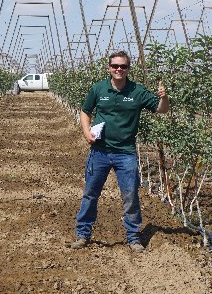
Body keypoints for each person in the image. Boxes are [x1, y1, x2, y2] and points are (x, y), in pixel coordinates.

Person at [71, 50, 169, 252]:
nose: (119, 69)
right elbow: (85, 111)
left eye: (123, 66)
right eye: (115, 66)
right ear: (109, 68)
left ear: (128, 69)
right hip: (100, 151)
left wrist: (164, 98)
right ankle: (83, 234)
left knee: (130, 194)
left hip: (126, 152)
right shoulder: (99, 89)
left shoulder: (137, 91)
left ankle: (133, 237)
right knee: (91, 193)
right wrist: (86, 132)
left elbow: (161, 109)